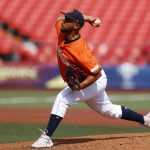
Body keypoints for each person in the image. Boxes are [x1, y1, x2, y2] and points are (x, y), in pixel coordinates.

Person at [32, 9, 150, 148]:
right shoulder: (63, 29)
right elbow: (58, 20)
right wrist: (89, 18)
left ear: (75, 26)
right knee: (108, 110)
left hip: (94, 81)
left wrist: (79, 87)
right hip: (88, 79)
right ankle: (146, 120)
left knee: (63, 98)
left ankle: (46, 138)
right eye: (66, 18)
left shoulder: (80, 50)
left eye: (68, 20)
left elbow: (97, 73)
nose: (64, 21)